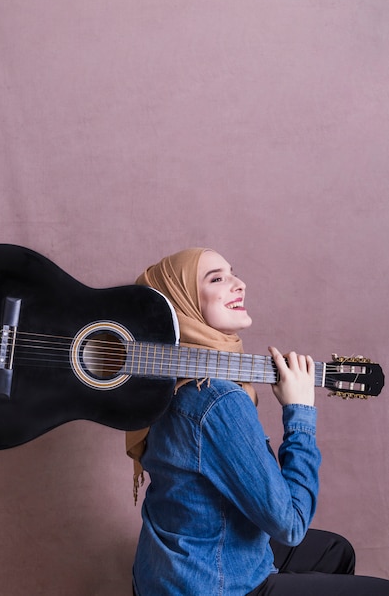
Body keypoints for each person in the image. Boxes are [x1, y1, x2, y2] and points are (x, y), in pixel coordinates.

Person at [126, 247, 389, 595]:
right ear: (181, 302)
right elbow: (291, 525)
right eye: (217, 279)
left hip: (165, 572)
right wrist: (300, 413)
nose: (240, 284)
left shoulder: (160, 380)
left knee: (333, 551)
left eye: (233, 273)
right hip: (210, 584)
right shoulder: (217, 399)